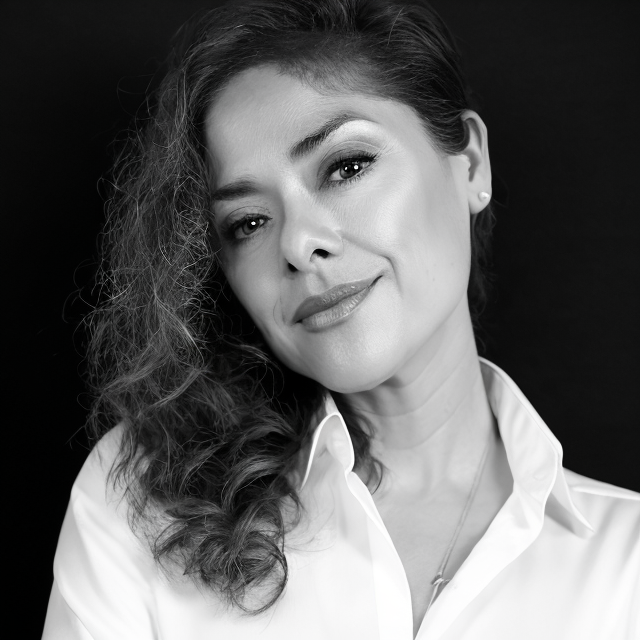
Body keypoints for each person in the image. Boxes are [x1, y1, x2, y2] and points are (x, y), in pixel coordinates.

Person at [42, 0, 640, 638]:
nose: (299, 245)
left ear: (470, 163)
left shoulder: (625, 564)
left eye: (346, 167)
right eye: (248, 222)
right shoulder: (142, 502)